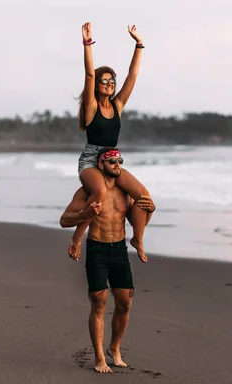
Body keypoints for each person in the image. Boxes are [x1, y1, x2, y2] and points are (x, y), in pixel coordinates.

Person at [60, 148, 155, 374]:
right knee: (99, 304)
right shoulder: (87, 192)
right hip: (97, 250)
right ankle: (99, 357)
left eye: (120, 160)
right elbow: (64, 220)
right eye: (112, 161)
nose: (117, 164)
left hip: (119, 250)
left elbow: (135, 220)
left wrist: (150, 211)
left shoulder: (125, 193)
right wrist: (85, 214)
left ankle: (115, 347)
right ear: (101, 165)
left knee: (125, 303)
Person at [69, 21, 151, 264]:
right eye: (105, 81)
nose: (110, 84)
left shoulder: (117, 105)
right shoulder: (92, 107)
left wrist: (139, 44)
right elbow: (88, 74)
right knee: (101, 191)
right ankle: (77, 237)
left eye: (111, 80)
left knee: (143, 196)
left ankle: (137, 238)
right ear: (97, 86)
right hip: (91, 160)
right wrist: (87, 43)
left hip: (112, 158)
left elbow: (133, 75)